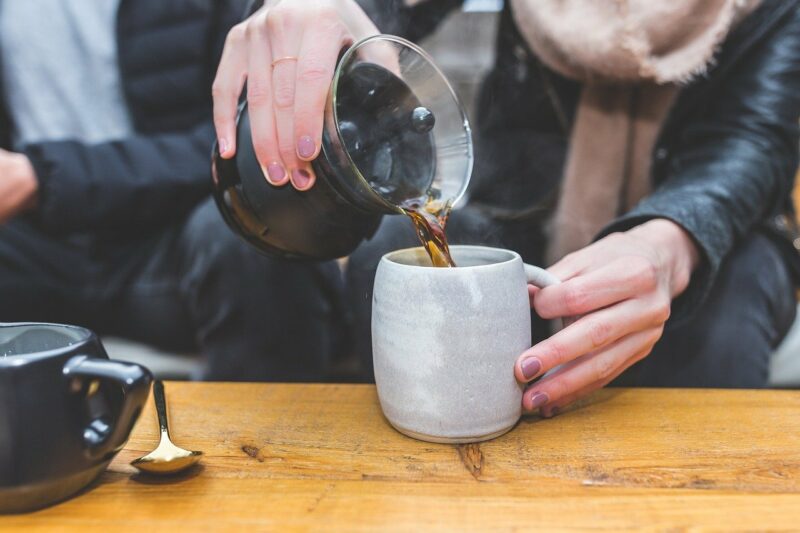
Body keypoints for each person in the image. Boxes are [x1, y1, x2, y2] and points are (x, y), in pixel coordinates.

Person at [213, 0, 800, 412]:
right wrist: (312, 10)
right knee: (394, 254)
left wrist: (669, 243)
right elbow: (383, 12)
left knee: (722, 307)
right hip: (524, 213)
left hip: (714, 228)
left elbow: (757, 140)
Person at [0, 0, 347, 382]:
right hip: (37, 247)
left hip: (173, 240)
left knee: (252, 237)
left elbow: (234, 140)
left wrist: (41, 176)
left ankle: (268, 437)